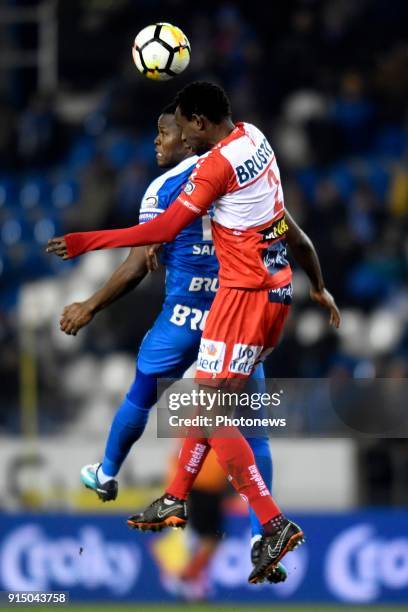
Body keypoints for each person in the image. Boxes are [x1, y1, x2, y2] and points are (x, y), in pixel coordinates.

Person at [47, 81, 340, 583]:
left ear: (197, 125)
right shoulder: (255, 139)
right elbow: (286, 226)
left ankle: (269, 523)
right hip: (277, 294)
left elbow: (155, 238)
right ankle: (190, 505)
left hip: (234, 301)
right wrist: (319, 284)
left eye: (179, 126)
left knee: (199, 404)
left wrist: (85, 241)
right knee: (232, 412)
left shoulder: (208, 171)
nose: (174, 135)